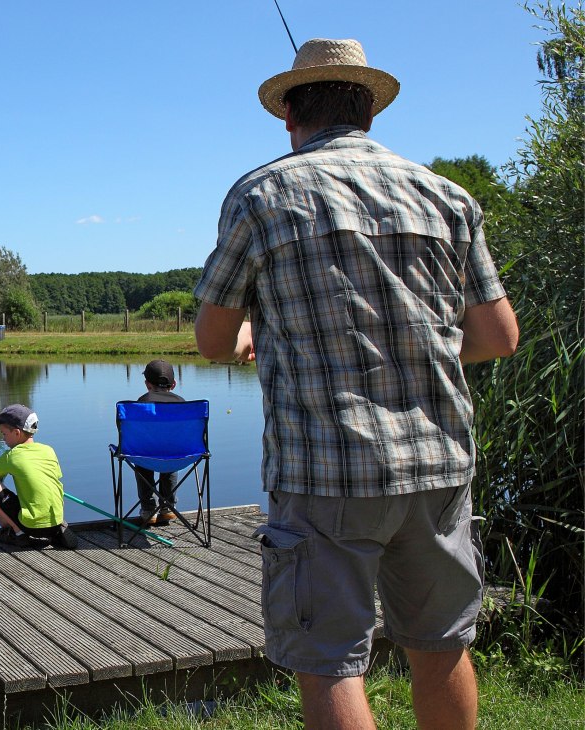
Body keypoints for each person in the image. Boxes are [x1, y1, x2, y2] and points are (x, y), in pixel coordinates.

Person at [193, 39, 518, 729]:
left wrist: (259, 329)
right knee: (442, 645)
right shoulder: (448, 197)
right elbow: (496, 337)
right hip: (438, 467)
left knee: (330, 661)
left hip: (324, 472)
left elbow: (214, 340)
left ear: (288, 114)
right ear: (369, 109)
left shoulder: (261, 194)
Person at [0, 404, 77, 550]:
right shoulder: (49, 450)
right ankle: (56, 530)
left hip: (32, 526)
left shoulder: (12, 455)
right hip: (56, 519)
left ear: (17, 433)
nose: (3, 439)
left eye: (4, 434)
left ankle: (20, 533)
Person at [132, 359, 186, 526]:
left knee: (141, 457)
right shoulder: (184, 404)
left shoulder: (142, 402)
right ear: (174, 384)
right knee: (171, 455)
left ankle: (148, 510)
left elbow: (130, 433)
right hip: (176, 456)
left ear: (147, 384)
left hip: (146, 457)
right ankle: (168, 507)